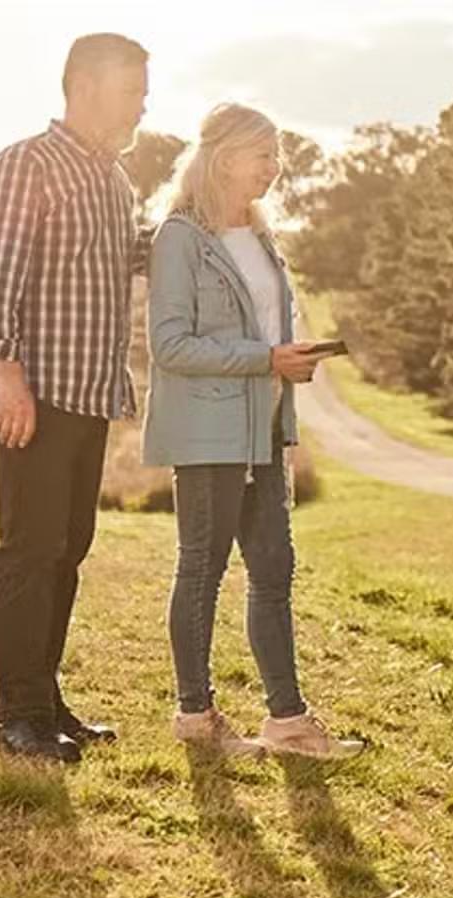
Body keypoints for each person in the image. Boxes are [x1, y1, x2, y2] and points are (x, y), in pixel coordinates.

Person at [143, 103, 361, 760]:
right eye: (263, 154)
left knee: (273, 568)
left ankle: (288, 722)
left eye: (277, 155)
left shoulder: (263, 238)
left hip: (263, 428)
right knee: (202, 569)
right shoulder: (180, 238)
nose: (275, 168)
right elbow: (169, 344)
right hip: (208, 432)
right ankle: (195, 715)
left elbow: (267, 330)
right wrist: (265, 359)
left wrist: (292, 359)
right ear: (225, 157)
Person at [0, 34, 152, 762]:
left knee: (70, 547)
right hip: (32, 390)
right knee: (31, 549)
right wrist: (5, 374)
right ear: (88, 85)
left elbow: (129, 256)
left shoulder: (114, 180)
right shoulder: (26, 165)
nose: (142, 103)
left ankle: (46, 697)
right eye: (133, 88)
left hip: (89, 389)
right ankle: (20, 714)